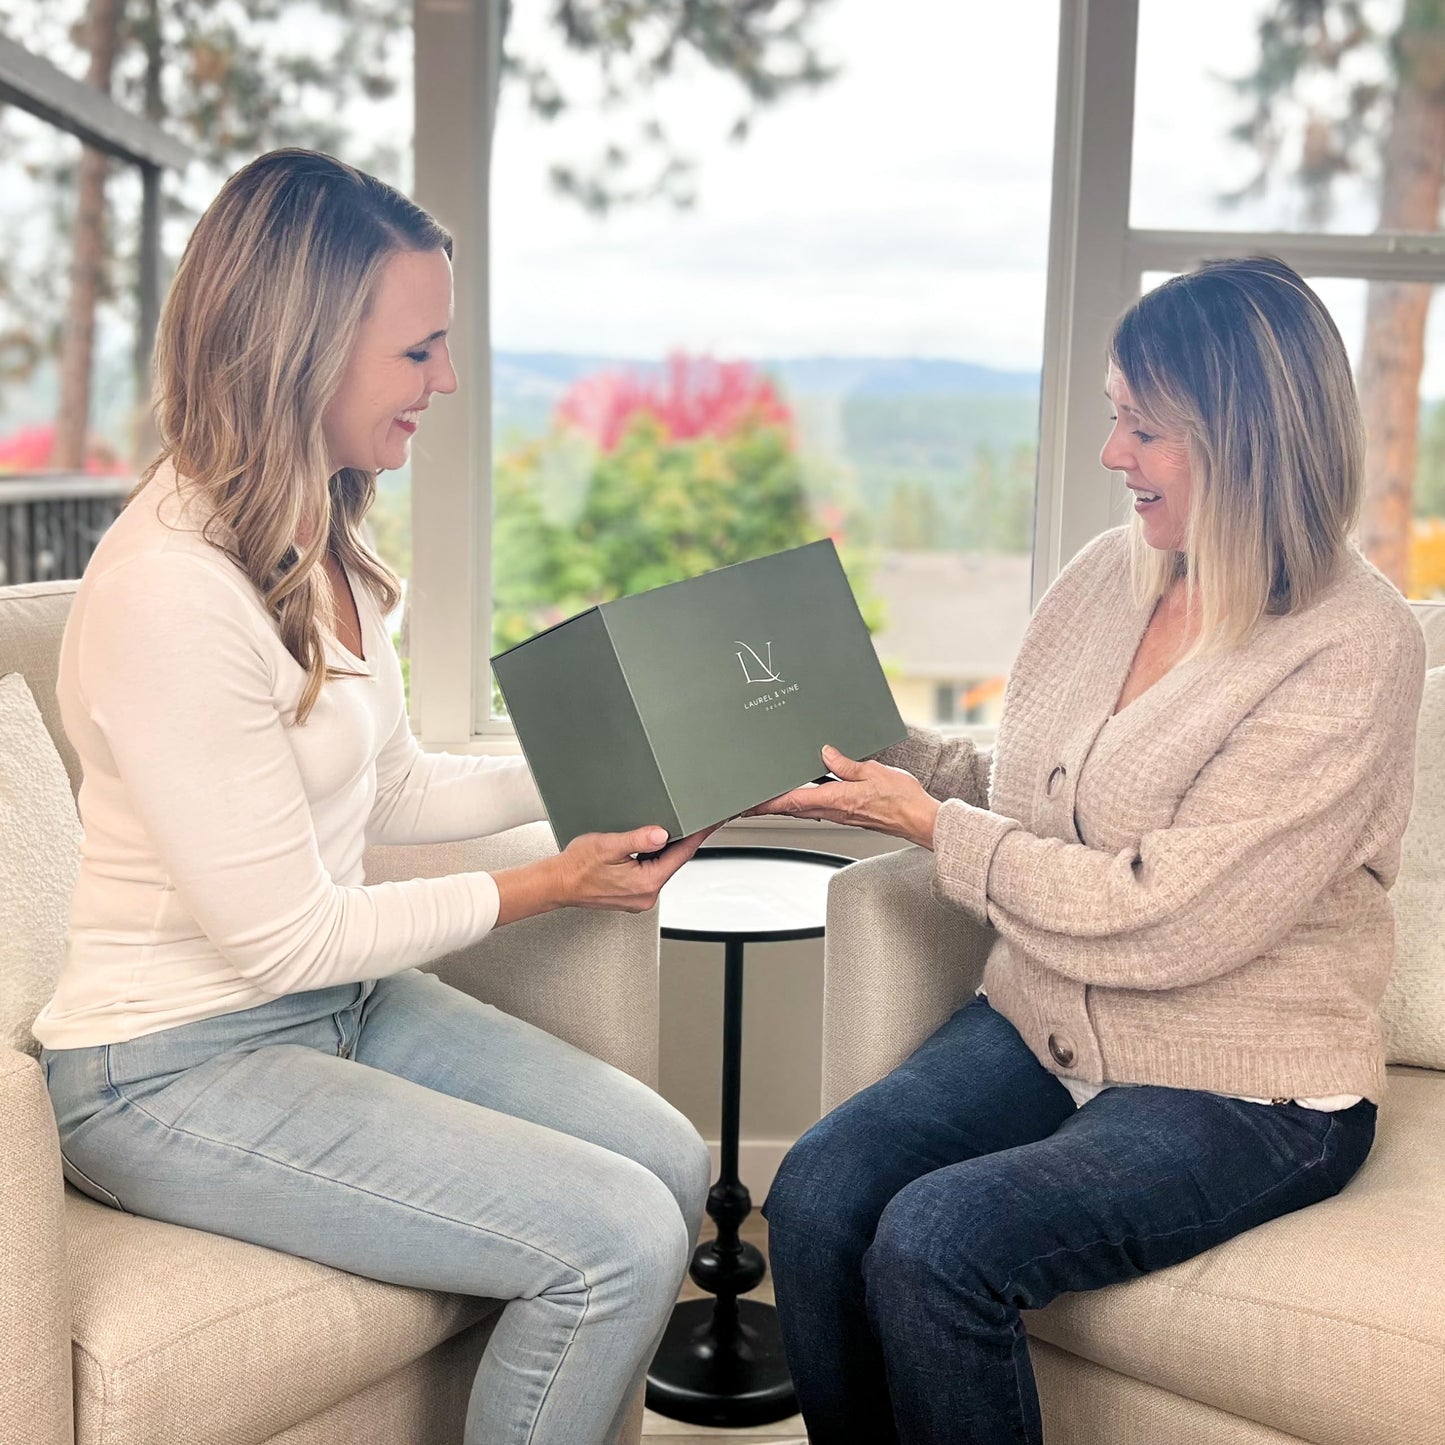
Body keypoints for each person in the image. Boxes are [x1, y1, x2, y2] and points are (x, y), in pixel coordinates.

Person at [33, 148, 714, 1445]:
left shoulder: (316, 532)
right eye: (420, 352)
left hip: (332, 1009)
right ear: (304, 348)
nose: (446, 381)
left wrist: (606, 775)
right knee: (617, 1238)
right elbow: (282, 932)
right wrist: (551, 882)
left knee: (672, 1159)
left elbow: (393, 780)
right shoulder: (171, 591)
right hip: (163, 1068)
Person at [751, 256, 1427, 1445]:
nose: (1111, 455)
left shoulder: (1350, 644)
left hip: (1244, 1081)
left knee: (936, 1240)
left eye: (1142, 428)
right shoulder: (1106, 578)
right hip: (1042, 1020)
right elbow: (1022, 790)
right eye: (1112, 417)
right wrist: (881, 757)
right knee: (812, 1195)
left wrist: (932, 829)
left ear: (1245, 439)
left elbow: (1171, 912)